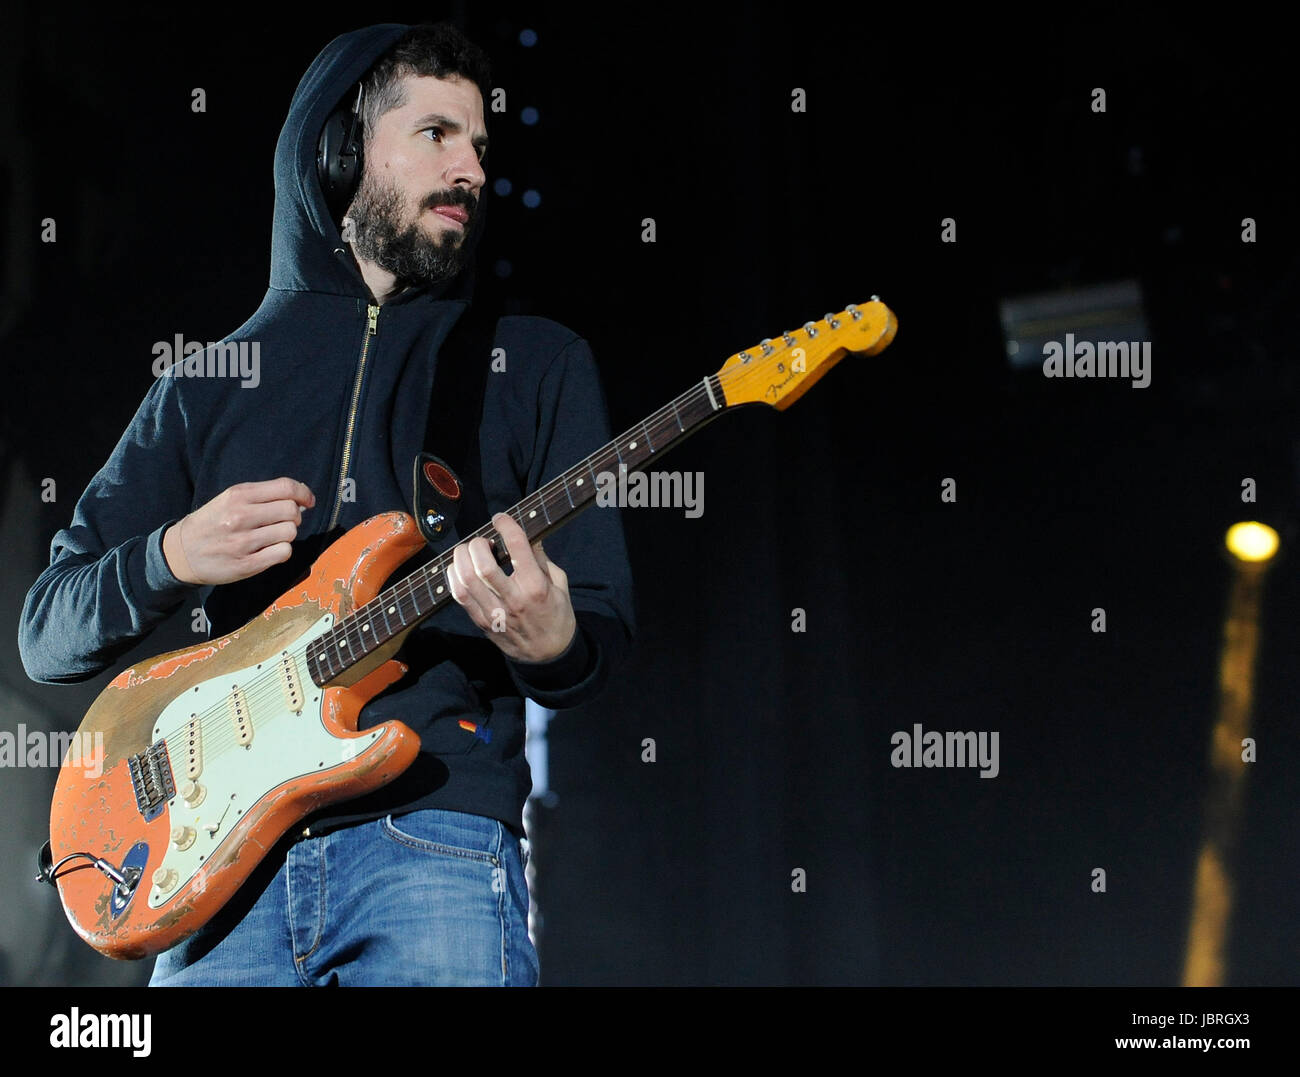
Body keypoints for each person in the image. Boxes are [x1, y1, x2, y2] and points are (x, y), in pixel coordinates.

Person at [18, 21, 634, 986]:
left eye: (480, 144)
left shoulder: (534, 363)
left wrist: (551, 637)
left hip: (432, 840)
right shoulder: (206, 383)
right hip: (218, 888)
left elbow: (598, 629)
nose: (470, 167)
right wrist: (171, 554)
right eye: (436, 133)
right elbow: (46, 631)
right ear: (342, 150)